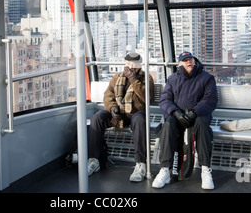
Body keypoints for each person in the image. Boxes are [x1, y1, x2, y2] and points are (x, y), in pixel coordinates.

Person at [152, 51, 218, 190]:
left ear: (195, 62)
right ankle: (164, 169)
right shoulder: (173, 79)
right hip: (178, 116)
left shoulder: (206, 78)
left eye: (191, 59)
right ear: (180, 64)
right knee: (168, 124)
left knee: (202, 124)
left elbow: (210, 100)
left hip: (198, 115)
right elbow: (164, 100)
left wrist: (194, 112)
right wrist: (176, 113)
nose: (189, 62)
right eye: (185, 60)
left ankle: (206, 170)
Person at [87, 52, 155, 182]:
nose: (131, 67)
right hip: (118, 113)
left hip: (135, 112)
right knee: (97, 118)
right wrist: (112, 108)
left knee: (140, 120)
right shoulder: (117, 77)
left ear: (139, 66)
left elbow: (147, 98)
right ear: (125, 64)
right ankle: (94, 159)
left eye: (134, 65)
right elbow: (108, 95)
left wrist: (134, 80)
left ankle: (141, 163)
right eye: (129, 64)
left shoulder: (146, 78)